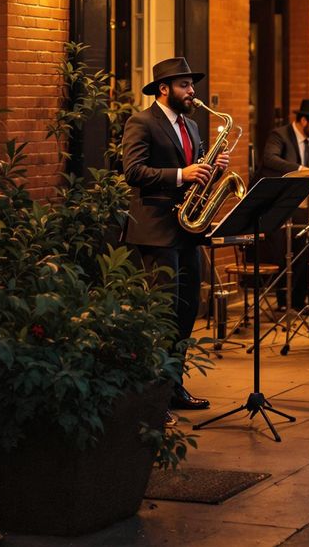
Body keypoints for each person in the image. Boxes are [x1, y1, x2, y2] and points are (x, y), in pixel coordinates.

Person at [122, 57, 230, 412]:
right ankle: (154, 398)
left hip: (187, 230)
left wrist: (213, 171)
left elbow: (196, 176)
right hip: (155, 229)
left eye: (192, 84)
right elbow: (134, 172)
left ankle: (174, 387)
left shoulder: (193, 126)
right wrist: (182, 174)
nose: (192, 91)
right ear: (164, 89)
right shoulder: (141, 122)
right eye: (184, 85)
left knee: (188, 310)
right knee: (163, 313)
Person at [258, 98, 309, 308]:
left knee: (308, 247)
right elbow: (270, 159)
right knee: (286, 250)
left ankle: (299, 302)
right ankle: (283, 300)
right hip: (277, 201)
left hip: (301, 202)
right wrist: (301, 170)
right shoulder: (279, 135)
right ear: (302, 120)